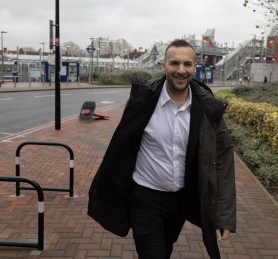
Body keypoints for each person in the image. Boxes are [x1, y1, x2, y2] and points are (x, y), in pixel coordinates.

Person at [88, 39, 236, 259]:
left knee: (165, 250)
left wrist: (224, 216)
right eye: (174, 63)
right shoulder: (144, 101)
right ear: (164, 66)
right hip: (145, 198)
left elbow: (223, 159)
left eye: (187, 64)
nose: (181, 70)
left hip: (180, 201)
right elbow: (121, 148)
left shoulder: (206, 109)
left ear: (194, 68)